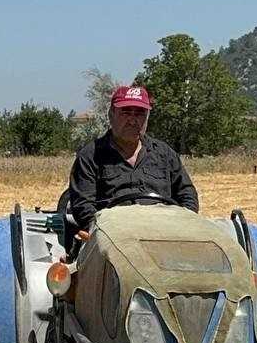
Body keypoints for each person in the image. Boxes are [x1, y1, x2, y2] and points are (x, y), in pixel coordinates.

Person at [66, 85, 199, 237]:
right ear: (111, 114)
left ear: (147, 117)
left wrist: (184, 224)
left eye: (140, 113)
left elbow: (187, 194)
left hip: (164, 234)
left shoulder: (165, 154)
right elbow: (83, 206)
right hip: (114, 237)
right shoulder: (90, 156)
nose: (132, 120)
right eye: (126, 112)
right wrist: (104, 231)